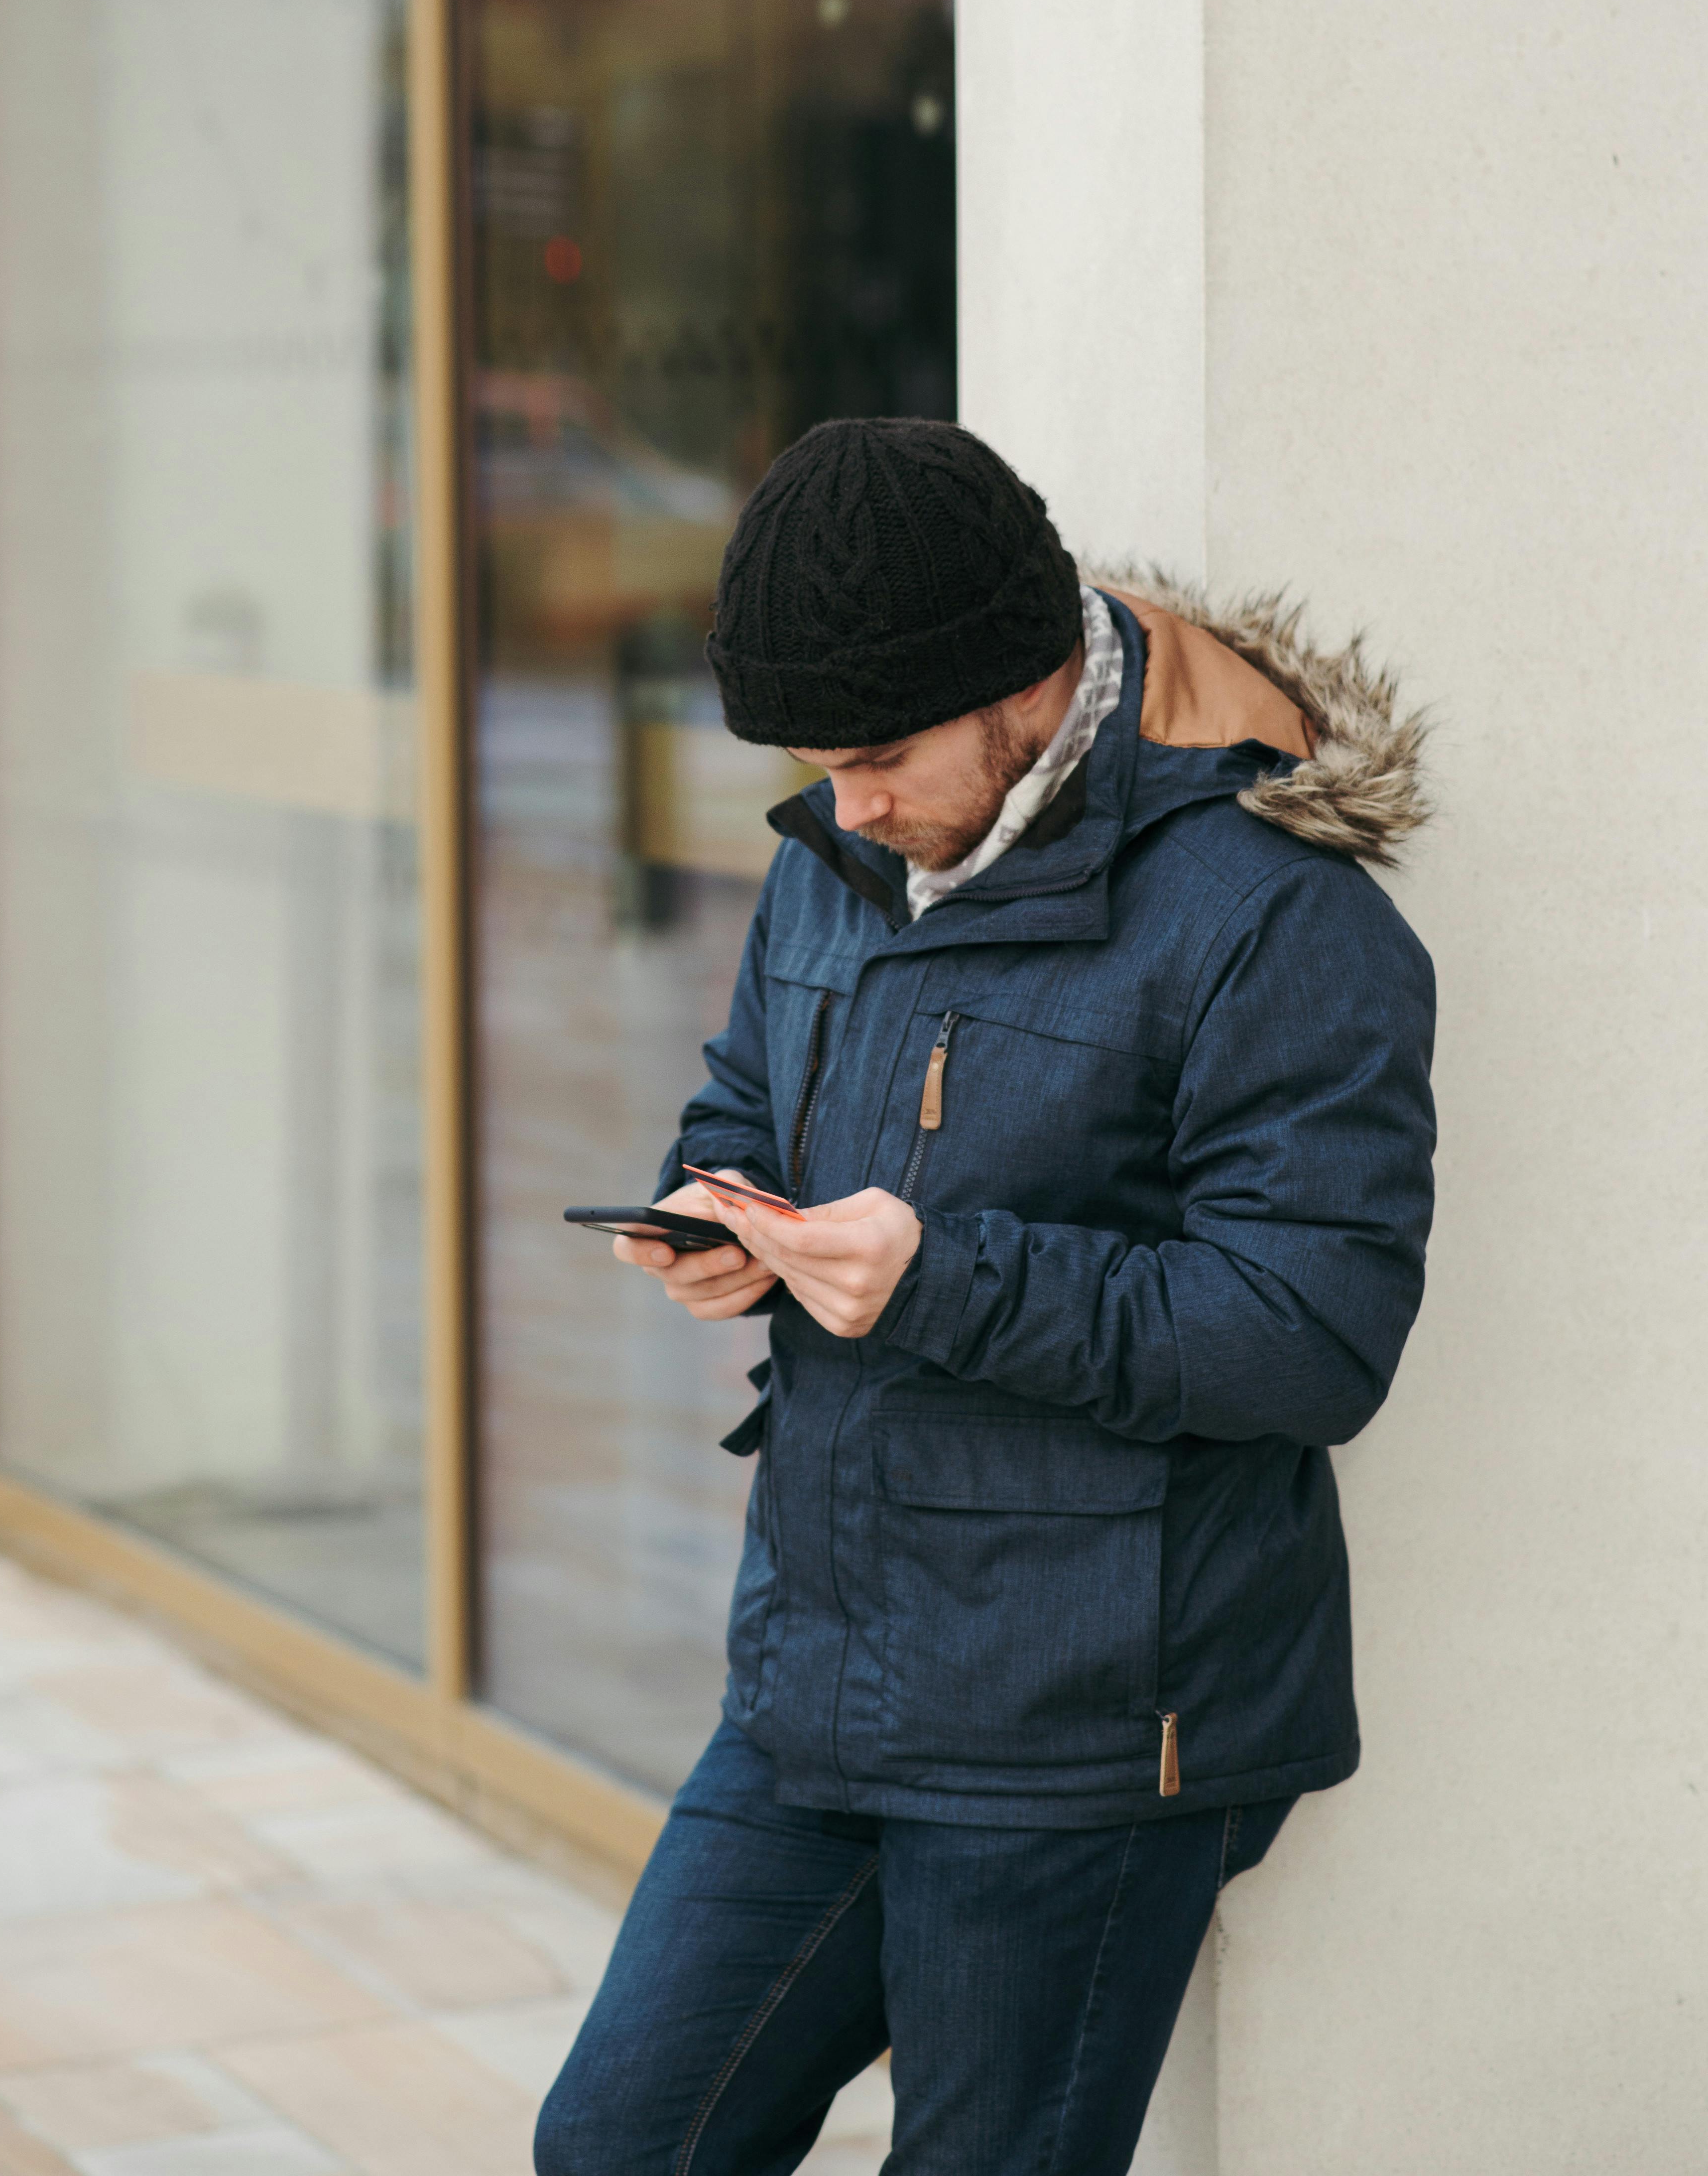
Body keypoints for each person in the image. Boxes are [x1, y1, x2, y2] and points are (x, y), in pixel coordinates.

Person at [535, 418, 1435, 2176]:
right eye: (816, 765)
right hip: (819, 1667)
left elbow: (1313, 1336)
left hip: (1085, 1728)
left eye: (875, 757)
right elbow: (746, 1084)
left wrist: (940, 1282)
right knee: (622, 2146)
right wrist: (722, 1207)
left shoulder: (1276, 919)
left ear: (1027, 688)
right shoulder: (842, 852)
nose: (842, 806)